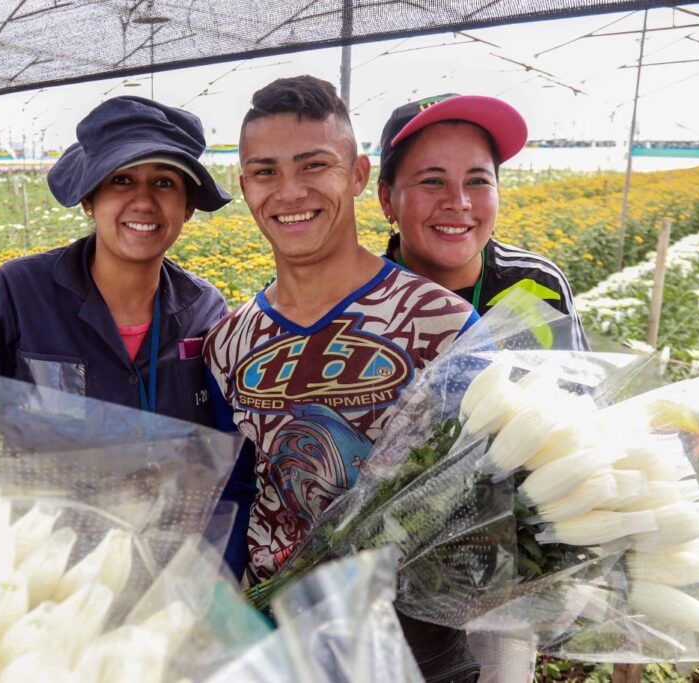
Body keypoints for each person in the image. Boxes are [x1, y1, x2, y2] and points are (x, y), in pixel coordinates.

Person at [203, 75, 481, 682]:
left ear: (357, 175)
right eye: (265, 171)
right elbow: (234, 497)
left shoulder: (444, 324)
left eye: (314, 165)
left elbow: (489, 500)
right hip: (281, 646)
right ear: (244, 184)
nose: (290, 191)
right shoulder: (229, 342)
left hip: (417, 645)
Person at [0, 96, 254, 577]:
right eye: (121, 179)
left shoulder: (204, 310)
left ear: (187, 207)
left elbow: (225, 456)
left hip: (166, 565)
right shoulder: (20, 293)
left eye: (164, 183)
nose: (144, 201)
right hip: (45, 561)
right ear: (89, 198)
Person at [378, 94, 589, 351]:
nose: (459, 202)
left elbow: (576, 389)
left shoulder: (538, 284)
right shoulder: (361, 300)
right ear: (387, 198)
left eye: (477, 181)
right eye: (432, 180)